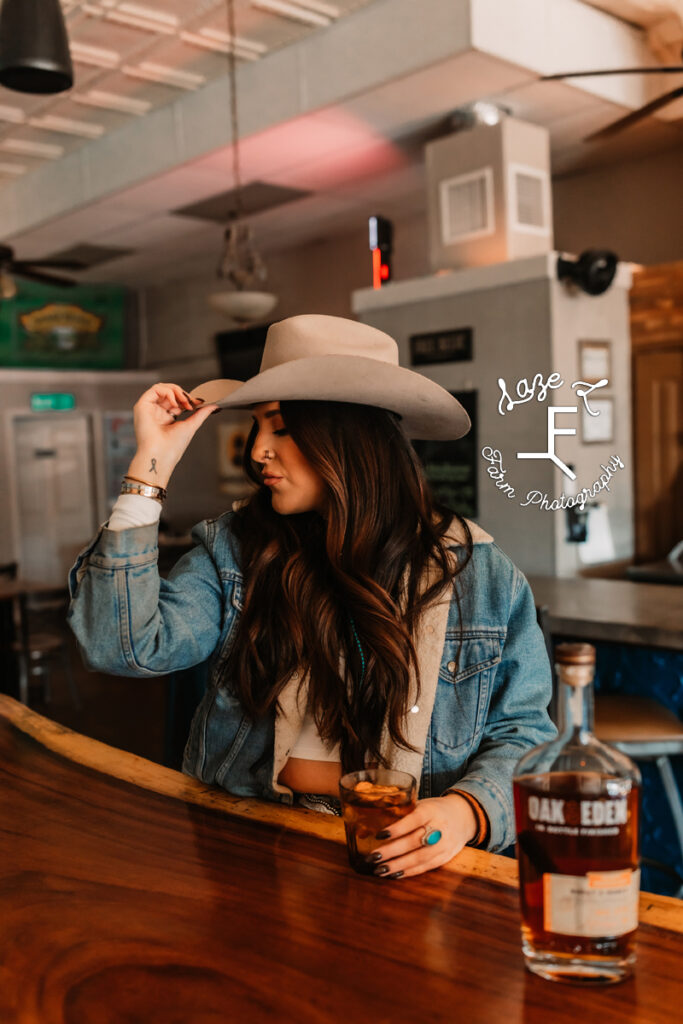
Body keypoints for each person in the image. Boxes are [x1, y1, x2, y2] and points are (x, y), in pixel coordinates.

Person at [68, 314, 555, 880]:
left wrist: (465, 812)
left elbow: (524, 732)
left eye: (280, 427)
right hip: (251, 849)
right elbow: (120, 646)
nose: (257, 452)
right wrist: (149, 469)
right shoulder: (236, 551)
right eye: (256, 427)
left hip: (411, 866)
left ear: (347, 435)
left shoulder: (482, 575)